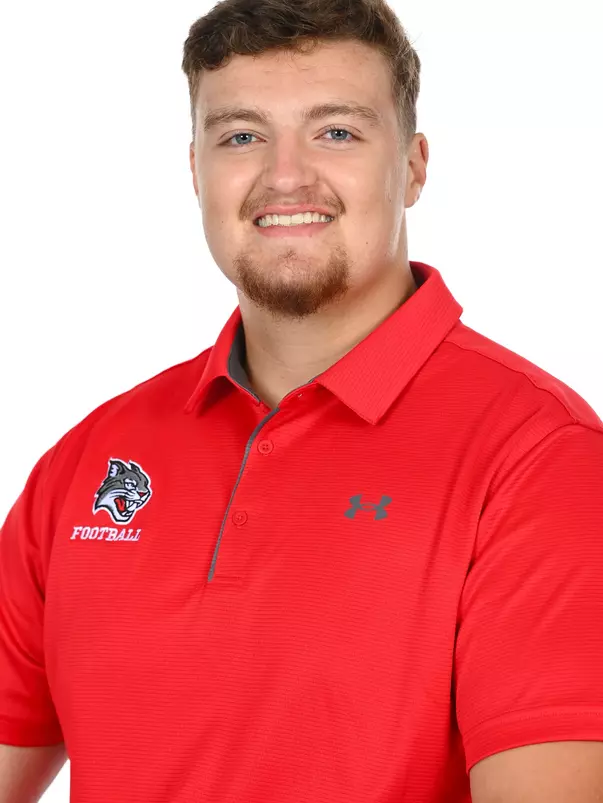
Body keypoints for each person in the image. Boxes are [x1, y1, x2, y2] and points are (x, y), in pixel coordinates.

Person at [2, 0, 603, 800]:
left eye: (337, 132)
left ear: (414, 166)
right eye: (241, 135)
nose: (285, 175)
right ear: (194, 168)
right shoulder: (89, 459)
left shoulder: (540, 457)